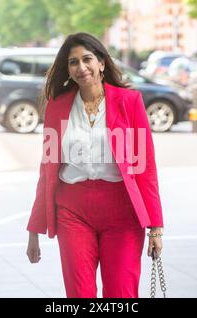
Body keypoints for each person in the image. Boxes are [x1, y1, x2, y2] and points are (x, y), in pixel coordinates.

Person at [26, 32, 164, 298]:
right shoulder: (57, 107)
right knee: (79, 294)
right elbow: (48, 170)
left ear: (101, 63)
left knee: (121, 293)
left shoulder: (129, 102)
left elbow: (145, 168)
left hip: (122, 213)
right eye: (73, 62)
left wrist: (155, 227)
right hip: (73, 213)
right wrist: (34, 228)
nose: (81, 67)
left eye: (87, 59)